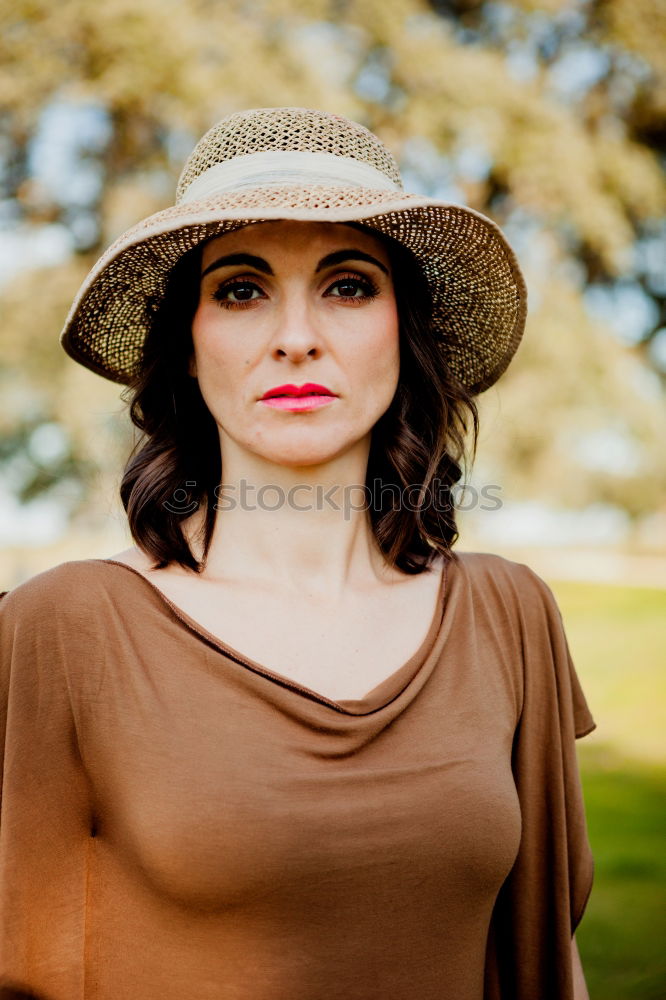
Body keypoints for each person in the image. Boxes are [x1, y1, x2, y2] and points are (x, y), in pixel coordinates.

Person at [0, 107, 596, 1000]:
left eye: (348, 285)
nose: (296, 336)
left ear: (404, 330)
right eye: (241, 289)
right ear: (189, 348)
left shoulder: (509, 613)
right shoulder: (66, 627)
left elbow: (547, 965)